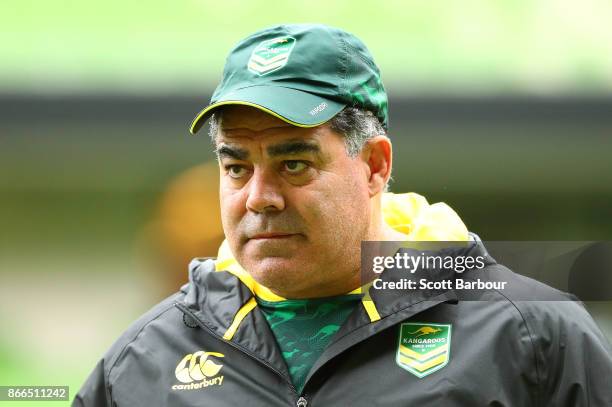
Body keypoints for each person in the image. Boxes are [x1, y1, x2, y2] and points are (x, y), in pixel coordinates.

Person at [74, 23, 612, 406]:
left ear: (375, 166)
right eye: (236, 167)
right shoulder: (143, 361)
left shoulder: (530, 334)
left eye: (294, 163)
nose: (260, 197)